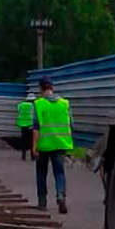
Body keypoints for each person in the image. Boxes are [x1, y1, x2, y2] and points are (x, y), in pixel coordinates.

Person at [32, 76, 73, 214]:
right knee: (59, 173)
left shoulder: (39, 104)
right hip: (60, 144)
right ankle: (61, 196)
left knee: (41, 173)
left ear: (41, 88)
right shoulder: (64, 103)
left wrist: (34, 146)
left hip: (44, 144)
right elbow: (71, 125)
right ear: (52, 87)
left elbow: (36, 128)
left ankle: (42, 203)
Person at [16, 91, 36, 160]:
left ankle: (23, 156)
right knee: (31, 141)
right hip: (30, 125)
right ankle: (32, 156)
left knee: (24, 140)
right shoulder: (33, 106)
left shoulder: (20, 105)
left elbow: (19, 112)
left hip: (22, 125)